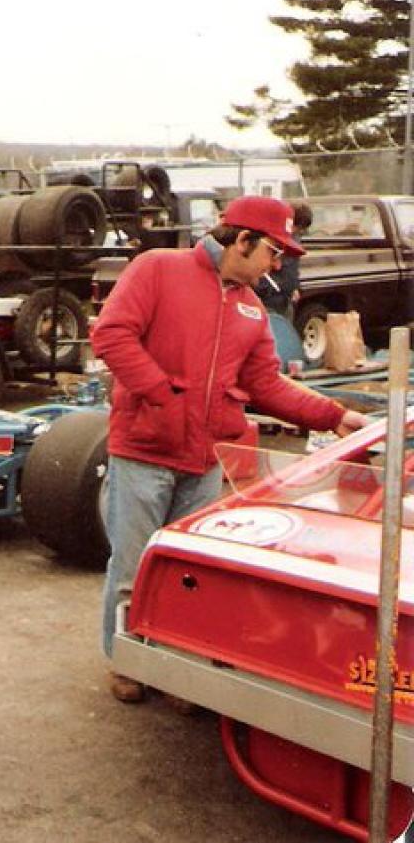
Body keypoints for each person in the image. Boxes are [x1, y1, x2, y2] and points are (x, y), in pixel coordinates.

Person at [91, 195, 367, 703]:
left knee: (188, 574)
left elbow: (266, 384)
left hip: (204, 462)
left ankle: (173, 661)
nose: (277, 265)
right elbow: (111, 335)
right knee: (133, 568)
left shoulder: (251, 308)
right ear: (242, 240)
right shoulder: (157, 269)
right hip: (145, 453)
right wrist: (162, 396)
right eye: (274, 251)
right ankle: (127, 660)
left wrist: (333, 415)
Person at [253, 201, 311, 318]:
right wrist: (271, 290)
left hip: (285, 301)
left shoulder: (294, 242)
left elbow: (293, 269)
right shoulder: (268, 241)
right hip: (269, 302)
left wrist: (295, 287)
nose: (277, 264)